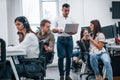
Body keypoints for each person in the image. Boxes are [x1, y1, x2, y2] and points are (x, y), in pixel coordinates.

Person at [52, 3, 76, 80]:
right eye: (65, 10)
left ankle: (67, 75)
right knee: (61, 57)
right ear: (62, 9)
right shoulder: (57, 18)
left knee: (69, 58)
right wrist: (58, 30)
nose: (67, 12)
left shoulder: (71, 19)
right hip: (60, 40)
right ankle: (61, 75)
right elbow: (52, 29)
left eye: (68, 10)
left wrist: (72, 32)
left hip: (69, 39)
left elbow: (75, 31)